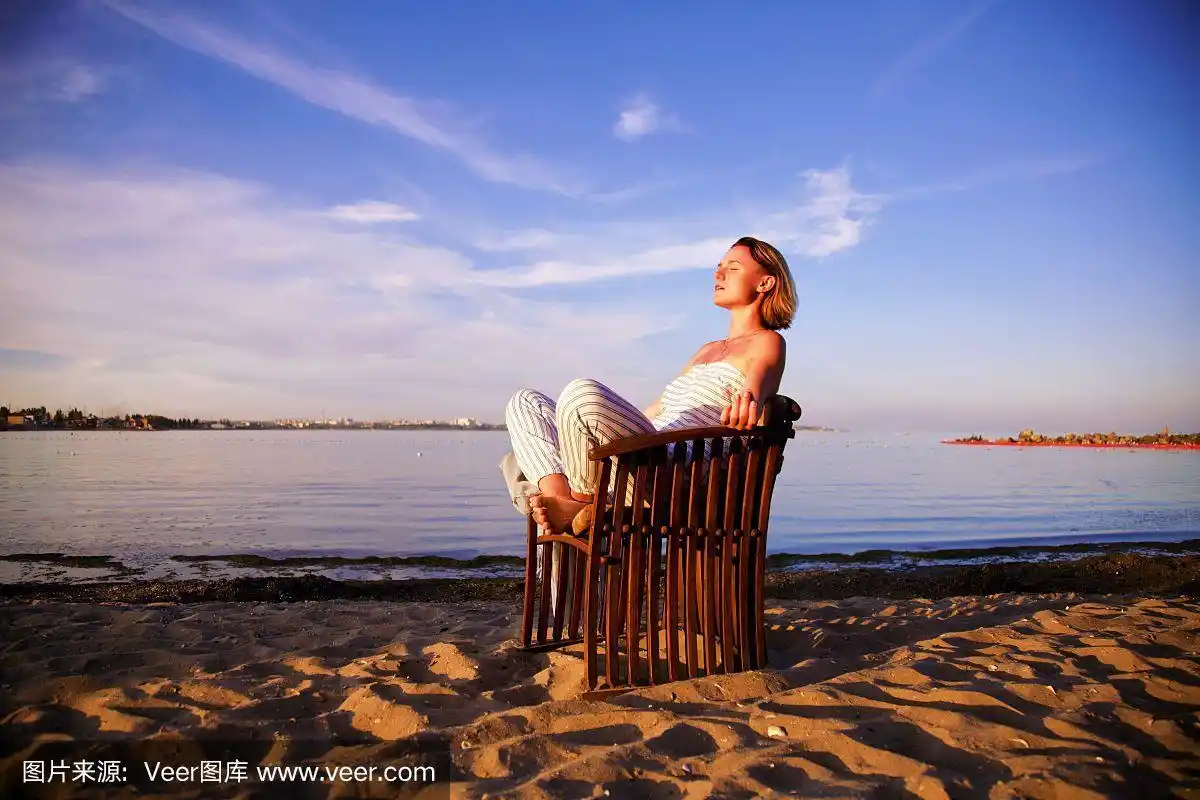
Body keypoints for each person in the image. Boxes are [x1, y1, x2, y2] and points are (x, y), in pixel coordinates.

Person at [504, 236, 796, 536]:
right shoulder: (705, 350)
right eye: (718, 267)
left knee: (581, 394)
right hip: (647, 451)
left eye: (732, 268)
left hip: (677, 470)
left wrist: (751, 400)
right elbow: (657, 410)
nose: (718, 274)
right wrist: (594, 428)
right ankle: (562, 502)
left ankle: (570, 507)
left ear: (765, 284)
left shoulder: (768, 341)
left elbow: (760, 382)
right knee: (525, 402)